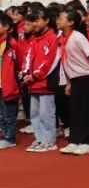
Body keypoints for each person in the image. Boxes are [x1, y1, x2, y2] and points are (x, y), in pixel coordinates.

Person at [59, 10, 89, 156]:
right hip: (75, 78)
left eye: (61, 18)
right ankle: (75, 140)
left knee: (87, 110)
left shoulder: (78, 37)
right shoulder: (63, 38)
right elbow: (66, 62)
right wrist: (69, 82)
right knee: (76, 111)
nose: (57, 20)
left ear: (71, 22)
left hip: (87, 76)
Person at [20, 9, 60, 152]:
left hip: (45, 82)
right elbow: (27, 57)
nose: (34, 24)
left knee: (46, 113)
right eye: (33, 21)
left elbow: (49, 61)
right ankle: (40, 139)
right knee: (35, 114)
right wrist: (25, 73)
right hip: (32, 83)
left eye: (37, 20)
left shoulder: (52, 38)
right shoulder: (33, 39)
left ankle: (49, 141)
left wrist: (35, 75)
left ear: (47, 21)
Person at [0, 14, 19, 150]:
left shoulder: (12, 44)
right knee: (1, 114)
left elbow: (20, 63)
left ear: (6, 27)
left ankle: (10, 138)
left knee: (9, 114)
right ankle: (4, 135)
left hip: (8, 85)